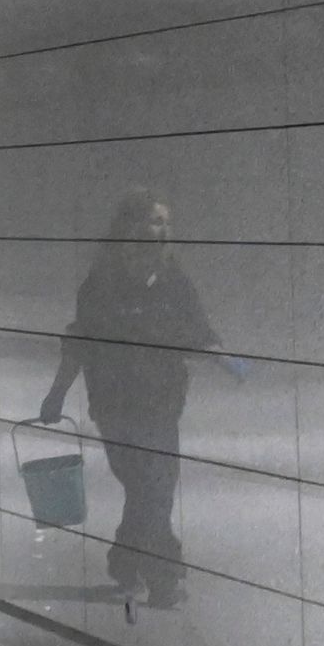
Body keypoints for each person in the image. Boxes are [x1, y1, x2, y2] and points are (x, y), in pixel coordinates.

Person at [33, 191, 230, 608]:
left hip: (162, 403)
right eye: (153, 221)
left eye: (165, 223)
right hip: (116, 406)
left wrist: (224, 356)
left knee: (153, 490)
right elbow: (80, 342)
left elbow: (198, 329)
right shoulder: (101, 284)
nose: (162, 230)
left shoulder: (174, 280)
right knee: (149, 488)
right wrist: (56, 395)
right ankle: (164, 576)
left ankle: (124, 561)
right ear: (129, 228)